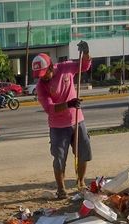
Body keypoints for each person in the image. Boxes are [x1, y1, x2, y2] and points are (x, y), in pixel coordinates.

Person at [33, 41, 92, 199]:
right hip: (58, 127)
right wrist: (68, 104)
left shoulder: (65, 67)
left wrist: (86, 53)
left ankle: (81, 182)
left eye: (44, 73)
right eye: (40, 75)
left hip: (77, 120)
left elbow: (84, 66)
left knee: (83, 152)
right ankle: (61, 189)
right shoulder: (41, 86)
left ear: (51, 67)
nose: (43, 78)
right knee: (59, 159)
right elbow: (49, 109)